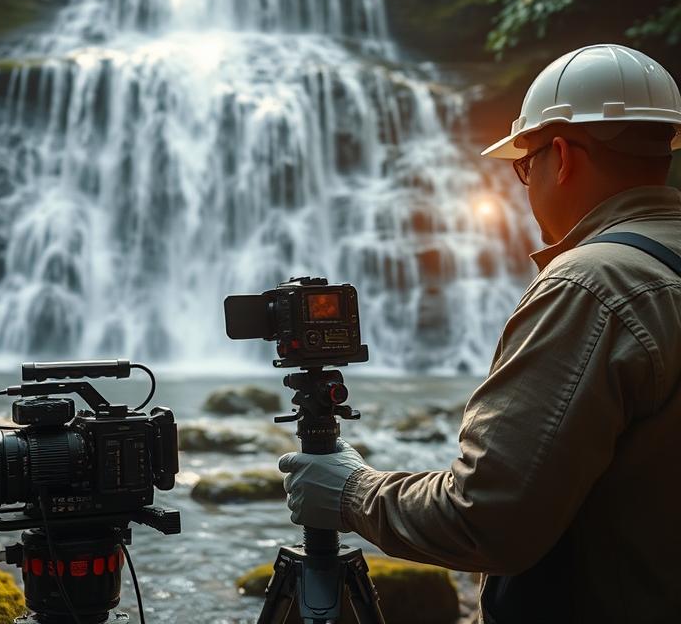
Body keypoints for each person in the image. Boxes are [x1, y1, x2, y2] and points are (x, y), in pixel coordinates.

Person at [279, 44, 681, 623]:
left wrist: (353, 492)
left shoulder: (591, 285)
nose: (524, 184)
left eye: (525, 164)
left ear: (561, 155)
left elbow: (485, 518)